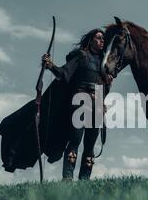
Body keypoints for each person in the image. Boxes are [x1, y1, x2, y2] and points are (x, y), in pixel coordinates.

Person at [42, 28, 113, 180]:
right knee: (75, 140)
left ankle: (84, 180)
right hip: (80, 101)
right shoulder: (81, 56)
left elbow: (104, 86)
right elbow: (64, 74)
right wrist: (51, 65)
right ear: (91, 40)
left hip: (97, 106)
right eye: (99, 38)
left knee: (90, 145)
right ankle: (67, 178)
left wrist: (103, 99)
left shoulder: (104, 63)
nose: (102, 41)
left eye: (103, 39)